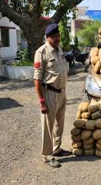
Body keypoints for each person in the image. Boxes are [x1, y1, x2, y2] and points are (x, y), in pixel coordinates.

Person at [33, 23, 71, 168]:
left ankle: (57, 149)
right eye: (54, 36)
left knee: (59, 124)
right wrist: (42, 101)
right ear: (47, 37)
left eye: (58, 35)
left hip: (62, 93)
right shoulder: (41, 52)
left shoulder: (59, 50)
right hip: (49, 94)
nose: (57, 38)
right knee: (48, 127)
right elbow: (37, 79)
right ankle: (47, 155)